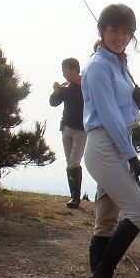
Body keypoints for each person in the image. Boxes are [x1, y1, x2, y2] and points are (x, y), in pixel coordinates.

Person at [81, 3, 140, 278]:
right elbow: (108, 116)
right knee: (139, 212)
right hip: (104, 144)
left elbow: (122, 112)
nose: (119, 36)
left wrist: (136, 103)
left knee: (106, 219)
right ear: (102, 31)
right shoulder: (98, 66)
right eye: (114, 30)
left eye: (126, 32)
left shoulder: (120, 65)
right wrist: (132, 156)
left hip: (116, 143)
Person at [49, 58, 86, 208]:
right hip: (67, 128)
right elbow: (53, 103)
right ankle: (74, 196)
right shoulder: (66, 88)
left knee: (74, 162)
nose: (64, 74)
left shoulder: (86, 86)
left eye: (66, 71)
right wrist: (56, 91)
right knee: (69, 163)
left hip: (82, 130)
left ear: (74, 70)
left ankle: (75, 199)